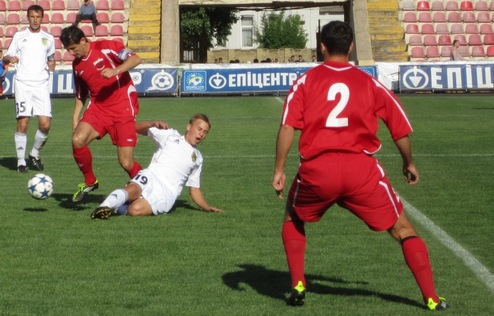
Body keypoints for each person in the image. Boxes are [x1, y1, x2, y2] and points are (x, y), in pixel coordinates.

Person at [272, 21, 448, 311]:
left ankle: (298, 283)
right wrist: (409, 162)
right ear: (351, 47)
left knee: (293, 217)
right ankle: (430, 297)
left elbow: (288, 127)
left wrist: (279, 170)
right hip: (361, 171)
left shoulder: (305, 81)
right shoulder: (369, 82)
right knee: (403, 229)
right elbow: (399, 128)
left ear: (322, 46)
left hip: (318, 170)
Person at [60, 25, 144, 202]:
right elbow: (81, 94)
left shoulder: (107, 47)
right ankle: (90, 181)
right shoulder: (77, 66)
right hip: (99, 107)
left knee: (126, 162)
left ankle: (149, 186)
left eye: (73, 48)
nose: (71, 53)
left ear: (83, 40)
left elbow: (136, 59)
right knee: (77, 139)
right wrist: (75, 118)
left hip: (123, 106)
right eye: (68, 50)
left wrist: (115, 71)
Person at [91, 113, 223, 219]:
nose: (201, 134)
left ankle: (118, 206)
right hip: (151, 175)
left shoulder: (198, 158)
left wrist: (207, 207)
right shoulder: (170, 135)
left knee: (134, 210)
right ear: (189, 127)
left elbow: (194, 190)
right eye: (199, 129)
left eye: (205, 132)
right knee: (133, 189)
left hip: (167, 193)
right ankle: (104, 206)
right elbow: (136, 129)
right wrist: (152, 124)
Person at [2, 5, 56, 173]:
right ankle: (20, 162)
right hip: (23, 84)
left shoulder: (48, 38)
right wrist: (11, 58)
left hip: (41, 85)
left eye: (38, 17)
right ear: (27, 17)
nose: (35, 19)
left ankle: (34, 153)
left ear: (42, 18)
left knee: (45, 125)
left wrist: (52, 64)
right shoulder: (19, 36)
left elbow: (51, 57)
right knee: (23, 122)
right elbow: (6, 56)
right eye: (32, 16)